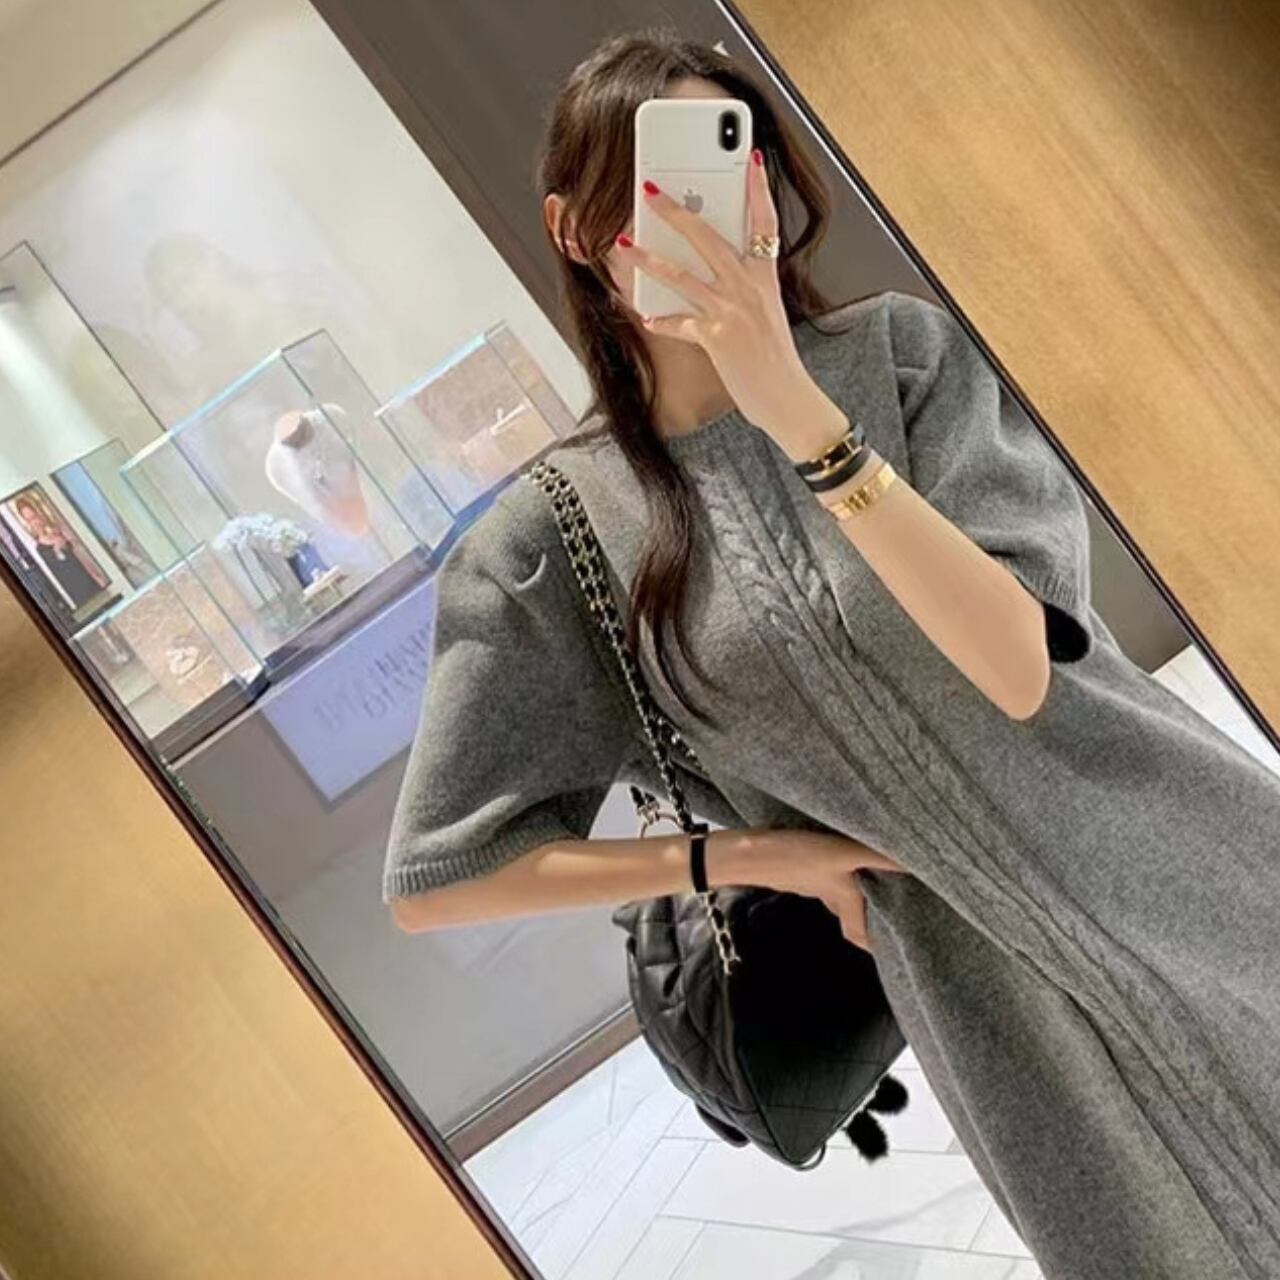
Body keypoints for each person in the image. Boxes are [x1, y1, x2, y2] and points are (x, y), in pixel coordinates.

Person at [382, 32, 1280, 1280]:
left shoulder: (899, 360)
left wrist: (793, 411)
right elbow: (439, 872)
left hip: (1184, 855)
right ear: (575, 228)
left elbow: (1019, 668)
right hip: (991, 1008)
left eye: (727, 161)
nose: (702, 210)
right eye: (654, 179)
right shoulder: (554, 542)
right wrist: (757, 855)